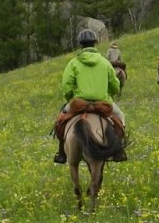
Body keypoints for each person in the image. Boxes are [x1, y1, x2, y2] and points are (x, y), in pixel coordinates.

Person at [53, 29, 127, 164]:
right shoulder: (105, 62)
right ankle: (119, 151)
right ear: (95, 43)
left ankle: (62, 152)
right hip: (102, 102)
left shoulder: (73, 63)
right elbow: (115, 86)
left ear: (80, 44)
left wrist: (70, 97)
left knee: (60, 121)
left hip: (79, 102)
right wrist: (109, 94)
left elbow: (66, 85)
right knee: (121, 117)